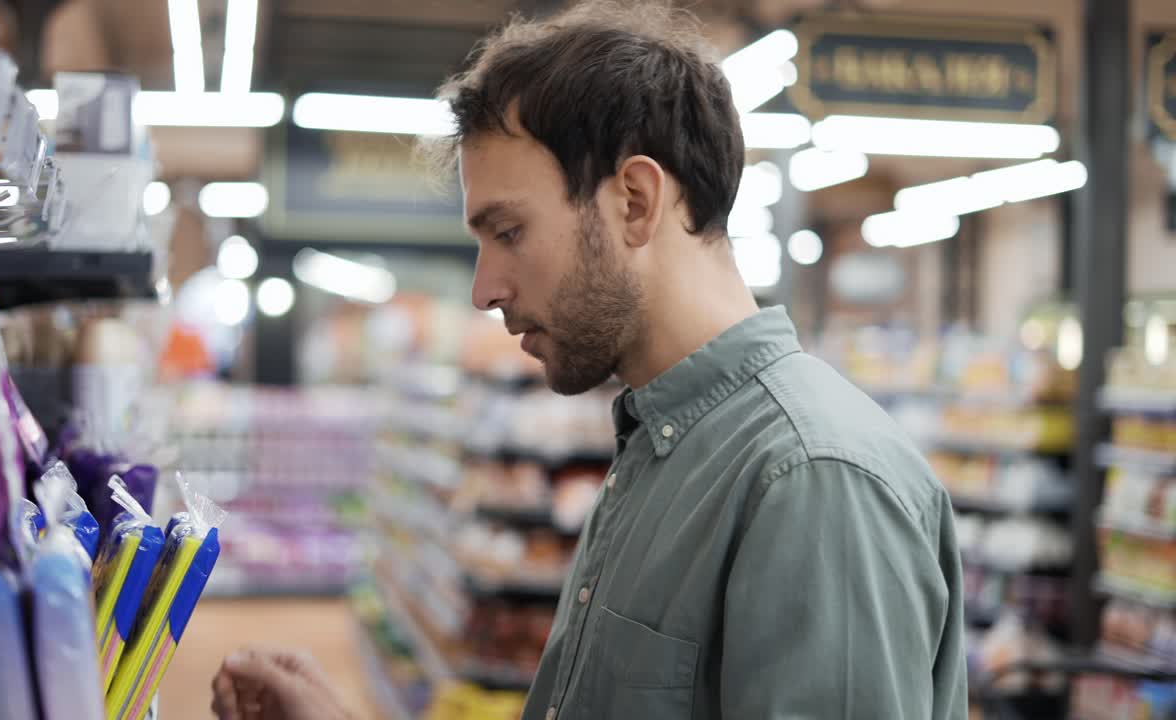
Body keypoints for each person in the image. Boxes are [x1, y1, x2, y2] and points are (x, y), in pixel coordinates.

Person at [211, 2, 967, 719]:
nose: (483, 290)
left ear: (635, 202)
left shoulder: (812, 482)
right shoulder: (661, 445)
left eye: (507, 232)